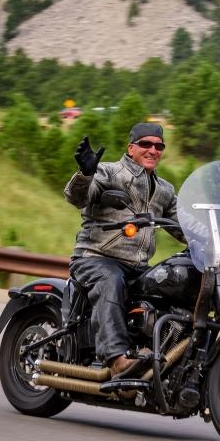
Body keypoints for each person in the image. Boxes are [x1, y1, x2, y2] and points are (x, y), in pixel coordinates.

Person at [64, 122, 184, 378]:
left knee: (176, 280)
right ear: (131, 148)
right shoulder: (109, 172)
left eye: (158, 146)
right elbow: (78, 197)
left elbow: (184, 227)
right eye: (146, 144)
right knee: (111, 278)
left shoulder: (164, 190)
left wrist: (218, 239)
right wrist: (86, 173)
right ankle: (116, 358)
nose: (153, 150)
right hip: (96, 258)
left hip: (138, 267)